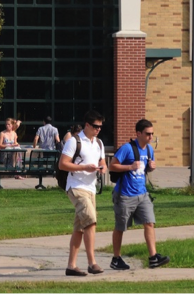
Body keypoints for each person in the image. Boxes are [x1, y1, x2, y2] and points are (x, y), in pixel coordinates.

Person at [108, 119, 170, 271]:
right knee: (121, 227)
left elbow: (143, 170)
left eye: (152, 134)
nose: (150, 137)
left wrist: (151, 168)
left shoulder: (149, 150)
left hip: (142, 193)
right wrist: (129, 166)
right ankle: (116, 258)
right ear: (138, 133)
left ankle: (153, 257)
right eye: (148, 134)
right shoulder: (127, 148)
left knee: (149, 222)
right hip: (125, 195)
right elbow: (112, 165)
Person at [59, 110, 106, 276]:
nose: (98, 129)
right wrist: (84, 167)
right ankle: (92, 263)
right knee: (91, 221)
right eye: (95, 126)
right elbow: (63, 164)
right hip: (76, 187)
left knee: (80, 228)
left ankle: (71, 266)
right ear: (87, 125)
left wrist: (102, 167)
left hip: (91, 188)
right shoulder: (74, 141)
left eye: (100, 126)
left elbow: (102, 160)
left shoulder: (98, 143)